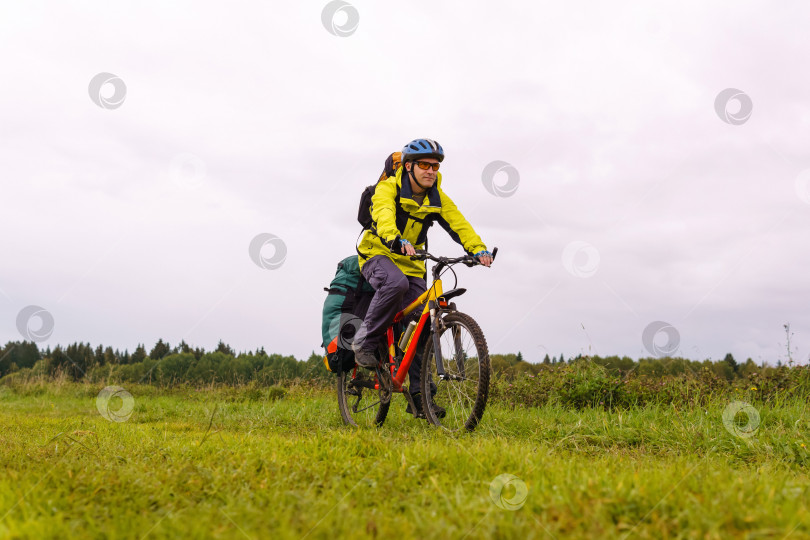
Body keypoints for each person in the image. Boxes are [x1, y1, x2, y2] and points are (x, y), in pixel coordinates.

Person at [352, 138, 493, 418]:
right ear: (408, 167)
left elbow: (458, 222)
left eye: (436, 166)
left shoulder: (436, 195)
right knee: (396, 284)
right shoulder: (388, 188)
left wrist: (478, 249)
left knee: (419, 323)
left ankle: (419, 394)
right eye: (425, 165)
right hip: (378, 253)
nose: (431, 170)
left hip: (413, 262)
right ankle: (364, 342)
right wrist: (393, 239)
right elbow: (383, 215)